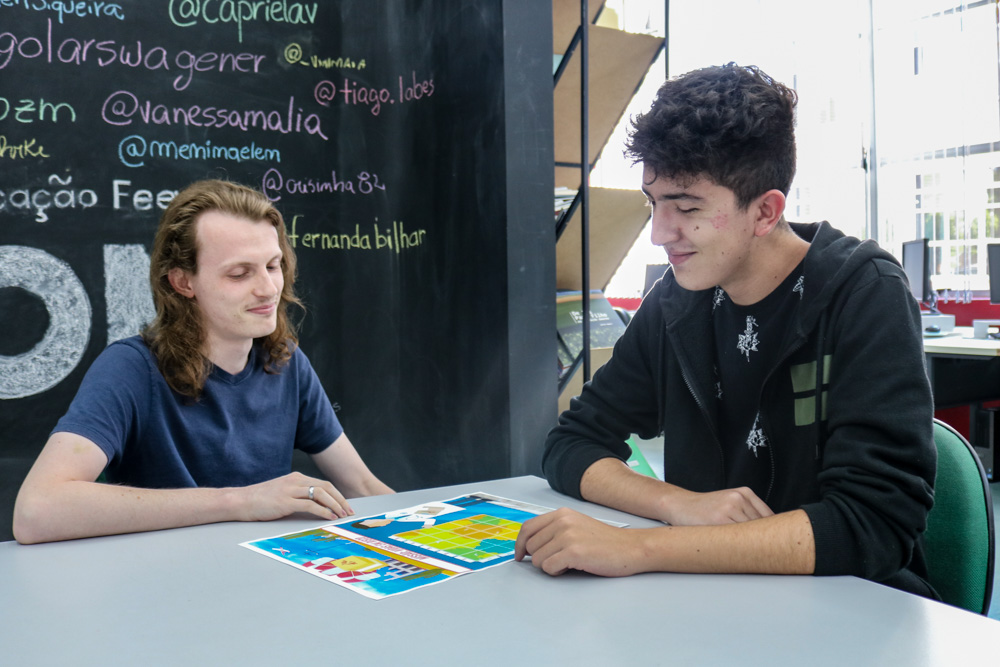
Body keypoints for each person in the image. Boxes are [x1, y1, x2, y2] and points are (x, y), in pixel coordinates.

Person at [514, 63, 938, 599]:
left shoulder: (863, 293)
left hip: (847, 608)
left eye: (687, 207)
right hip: (713, 599)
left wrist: (639, 548)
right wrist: (676, 503)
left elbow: (871, 527)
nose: (660, 234)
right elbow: (571, 443)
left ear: (765, 211)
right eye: (654, 204)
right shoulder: (678, 301)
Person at [13, 179, 393, 544]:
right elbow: (37, 510)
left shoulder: (287, 362)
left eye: (273, 265)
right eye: (239, 273)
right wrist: (238, 502)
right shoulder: (130, 369)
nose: (268, 288)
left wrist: (437, 535)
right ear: (183, 282)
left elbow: (363, 486)